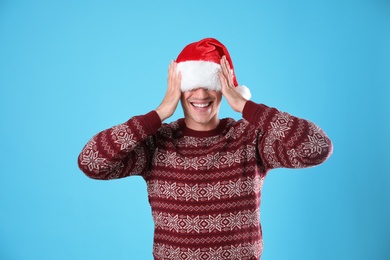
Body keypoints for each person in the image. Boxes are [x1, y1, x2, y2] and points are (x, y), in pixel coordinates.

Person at [78, 38, 332, 260]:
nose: (201, 94)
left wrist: (247, 107)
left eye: (210, 83)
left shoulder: (250, 138)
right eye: (191, 85)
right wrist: (158, 114)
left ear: (224, 88)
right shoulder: (156, 142)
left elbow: (317, 147)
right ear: (178, 90)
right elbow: (92, 162)